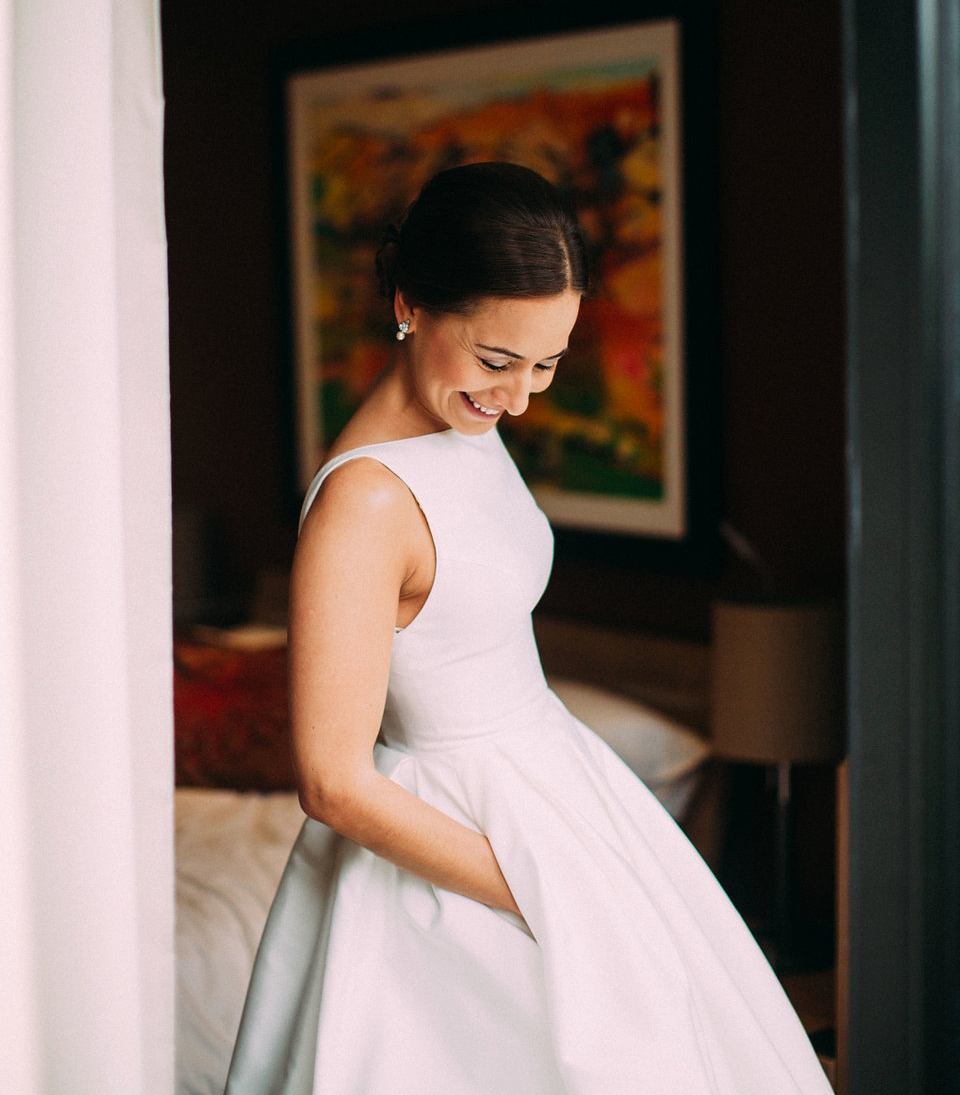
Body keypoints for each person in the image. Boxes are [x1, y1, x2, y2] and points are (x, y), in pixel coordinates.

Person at [224, 162, 831, 1095]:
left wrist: (588, 853)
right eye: (496, 360)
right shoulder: (365, 507)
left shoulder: (463, 423)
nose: (518, 399)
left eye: (547, 364)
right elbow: (332, 783)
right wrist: (545, 886)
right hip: (463, 843)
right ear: (410, 304)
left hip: (560, 782)